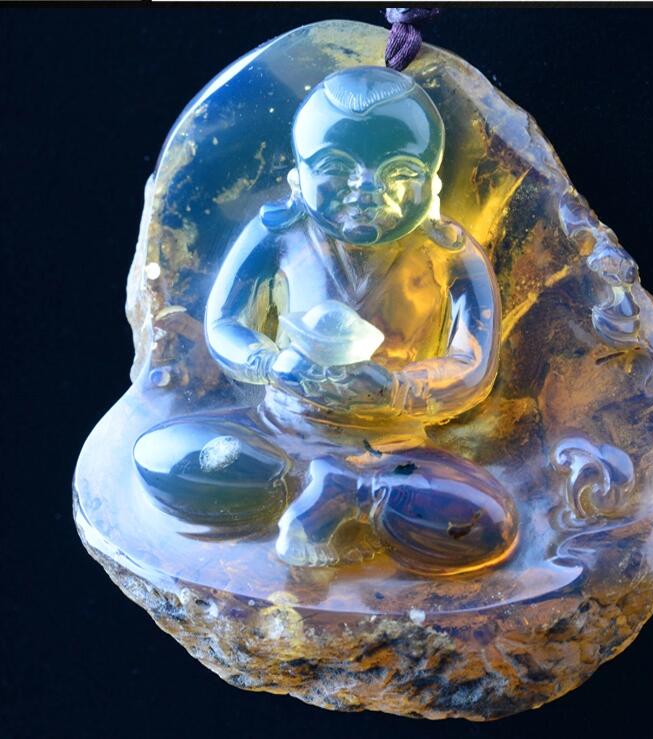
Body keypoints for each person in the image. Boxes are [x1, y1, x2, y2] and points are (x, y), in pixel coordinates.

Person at [135, 66, 518, 574]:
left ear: (433, 182)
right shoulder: (278, 232)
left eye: (400, 172)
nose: (368, 191)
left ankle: (342, 489)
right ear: (299, 178)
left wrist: (396, 389)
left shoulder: (449, 252)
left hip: (391, 446)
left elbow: (472, 364)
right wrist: (270, 365)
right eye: (337, 168)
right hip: (280, 426)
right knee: (162, 455)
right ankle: (312, 488)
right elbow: (223, 322)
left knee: (486, 521)